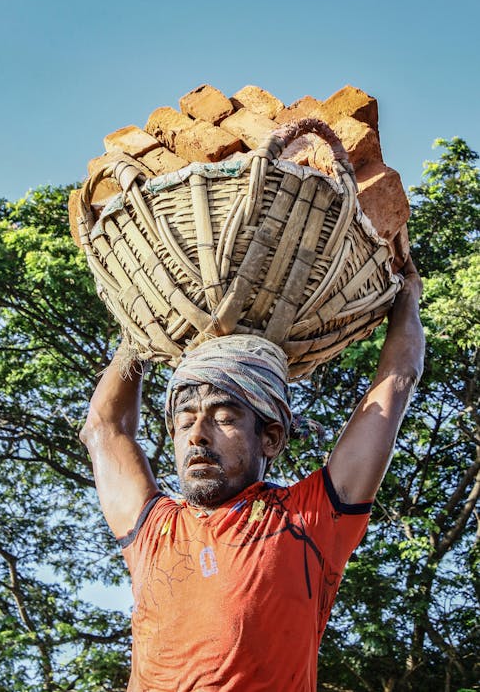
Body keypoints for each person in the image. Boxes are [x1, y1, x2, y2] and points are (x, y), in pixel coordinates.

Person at [80, 257, 425, 692]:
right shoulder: (154, 530)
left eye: (223, 418)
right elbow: (104, 429)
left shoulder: (311, 519)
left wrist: (407, 299)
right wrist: (138, 326)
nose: (197, 436)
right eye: (184, 422)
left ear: (272, 438)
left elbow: (396, 380)